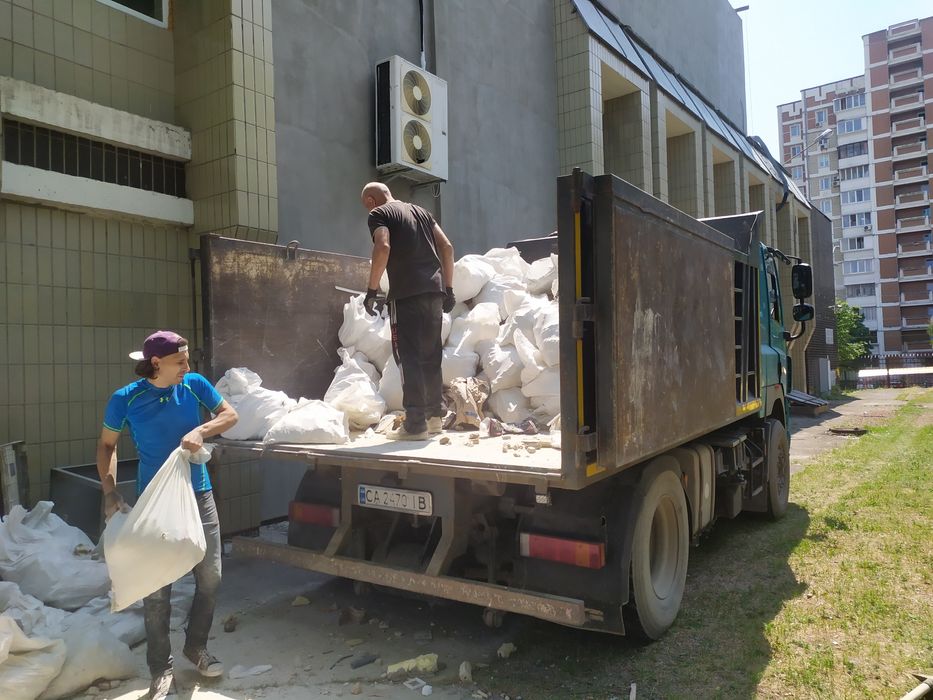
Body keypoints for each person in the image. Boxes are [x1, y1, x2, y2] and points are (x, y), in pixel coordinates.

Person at [97, 330, 238, 700]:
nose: (188, 367)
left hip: (198, 493)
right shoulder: (126, 399)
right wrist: (109, 491)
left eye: (188, 360)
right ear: (156, 363)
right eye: (181, 362)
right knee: (156, 590)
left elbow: (229, 415)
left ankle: (197, 646)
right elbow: (107, 445)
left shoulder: (193, 385)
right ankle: (161, 669)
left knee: (211, 576)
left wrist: (201, 429)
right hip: (155, 503)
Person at [360, 182, 455, 440]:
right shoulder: (421, 212)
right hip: (434, 292)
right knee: (431, 355)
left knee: (408, 357)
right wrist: (448, 287)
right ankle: (435, 418)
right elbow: (446, 246)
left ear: (370, 200)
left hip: (407, 294)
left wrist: (371, 291)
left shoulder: (379, 214)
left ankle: (415, 425)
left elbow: (383, 247)